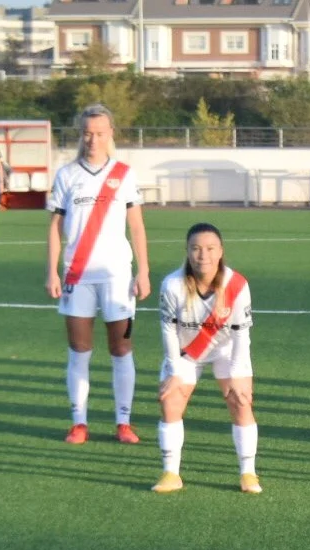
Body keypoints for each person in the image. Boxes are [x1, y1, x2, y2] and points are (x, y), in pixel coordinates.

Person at [45, 104, 150, 446]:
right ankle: (79, 422)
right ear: (80, 135)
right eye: (87, 133)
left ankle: (123, 422)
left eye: (100, 133)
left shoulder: (124, 174)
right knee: (79, 350)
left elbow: (136, 224)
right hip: (77, 275)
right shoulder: (66, 175)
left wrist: (144, 271)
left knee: (121, 348)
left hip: (117, 276)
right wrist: (52, 271)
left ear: (111, 134)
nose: (93, 139)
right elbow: (55, 227)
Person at [154, 223, 261, 494]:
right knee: (170, 399)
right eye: (196, 249)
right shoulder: (172, 284)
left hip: (227, 350)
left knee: (240, 401)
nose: (203, 255)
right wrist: (175, 370)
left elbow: (241, 336)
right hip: (185, 353)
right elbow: (168, 329)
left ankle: (248, 473)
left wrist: (238, 377)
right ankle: (170, 473)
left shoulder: (237, 285)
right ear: (187, 252)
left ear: (221, 251)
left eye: (210, 249)